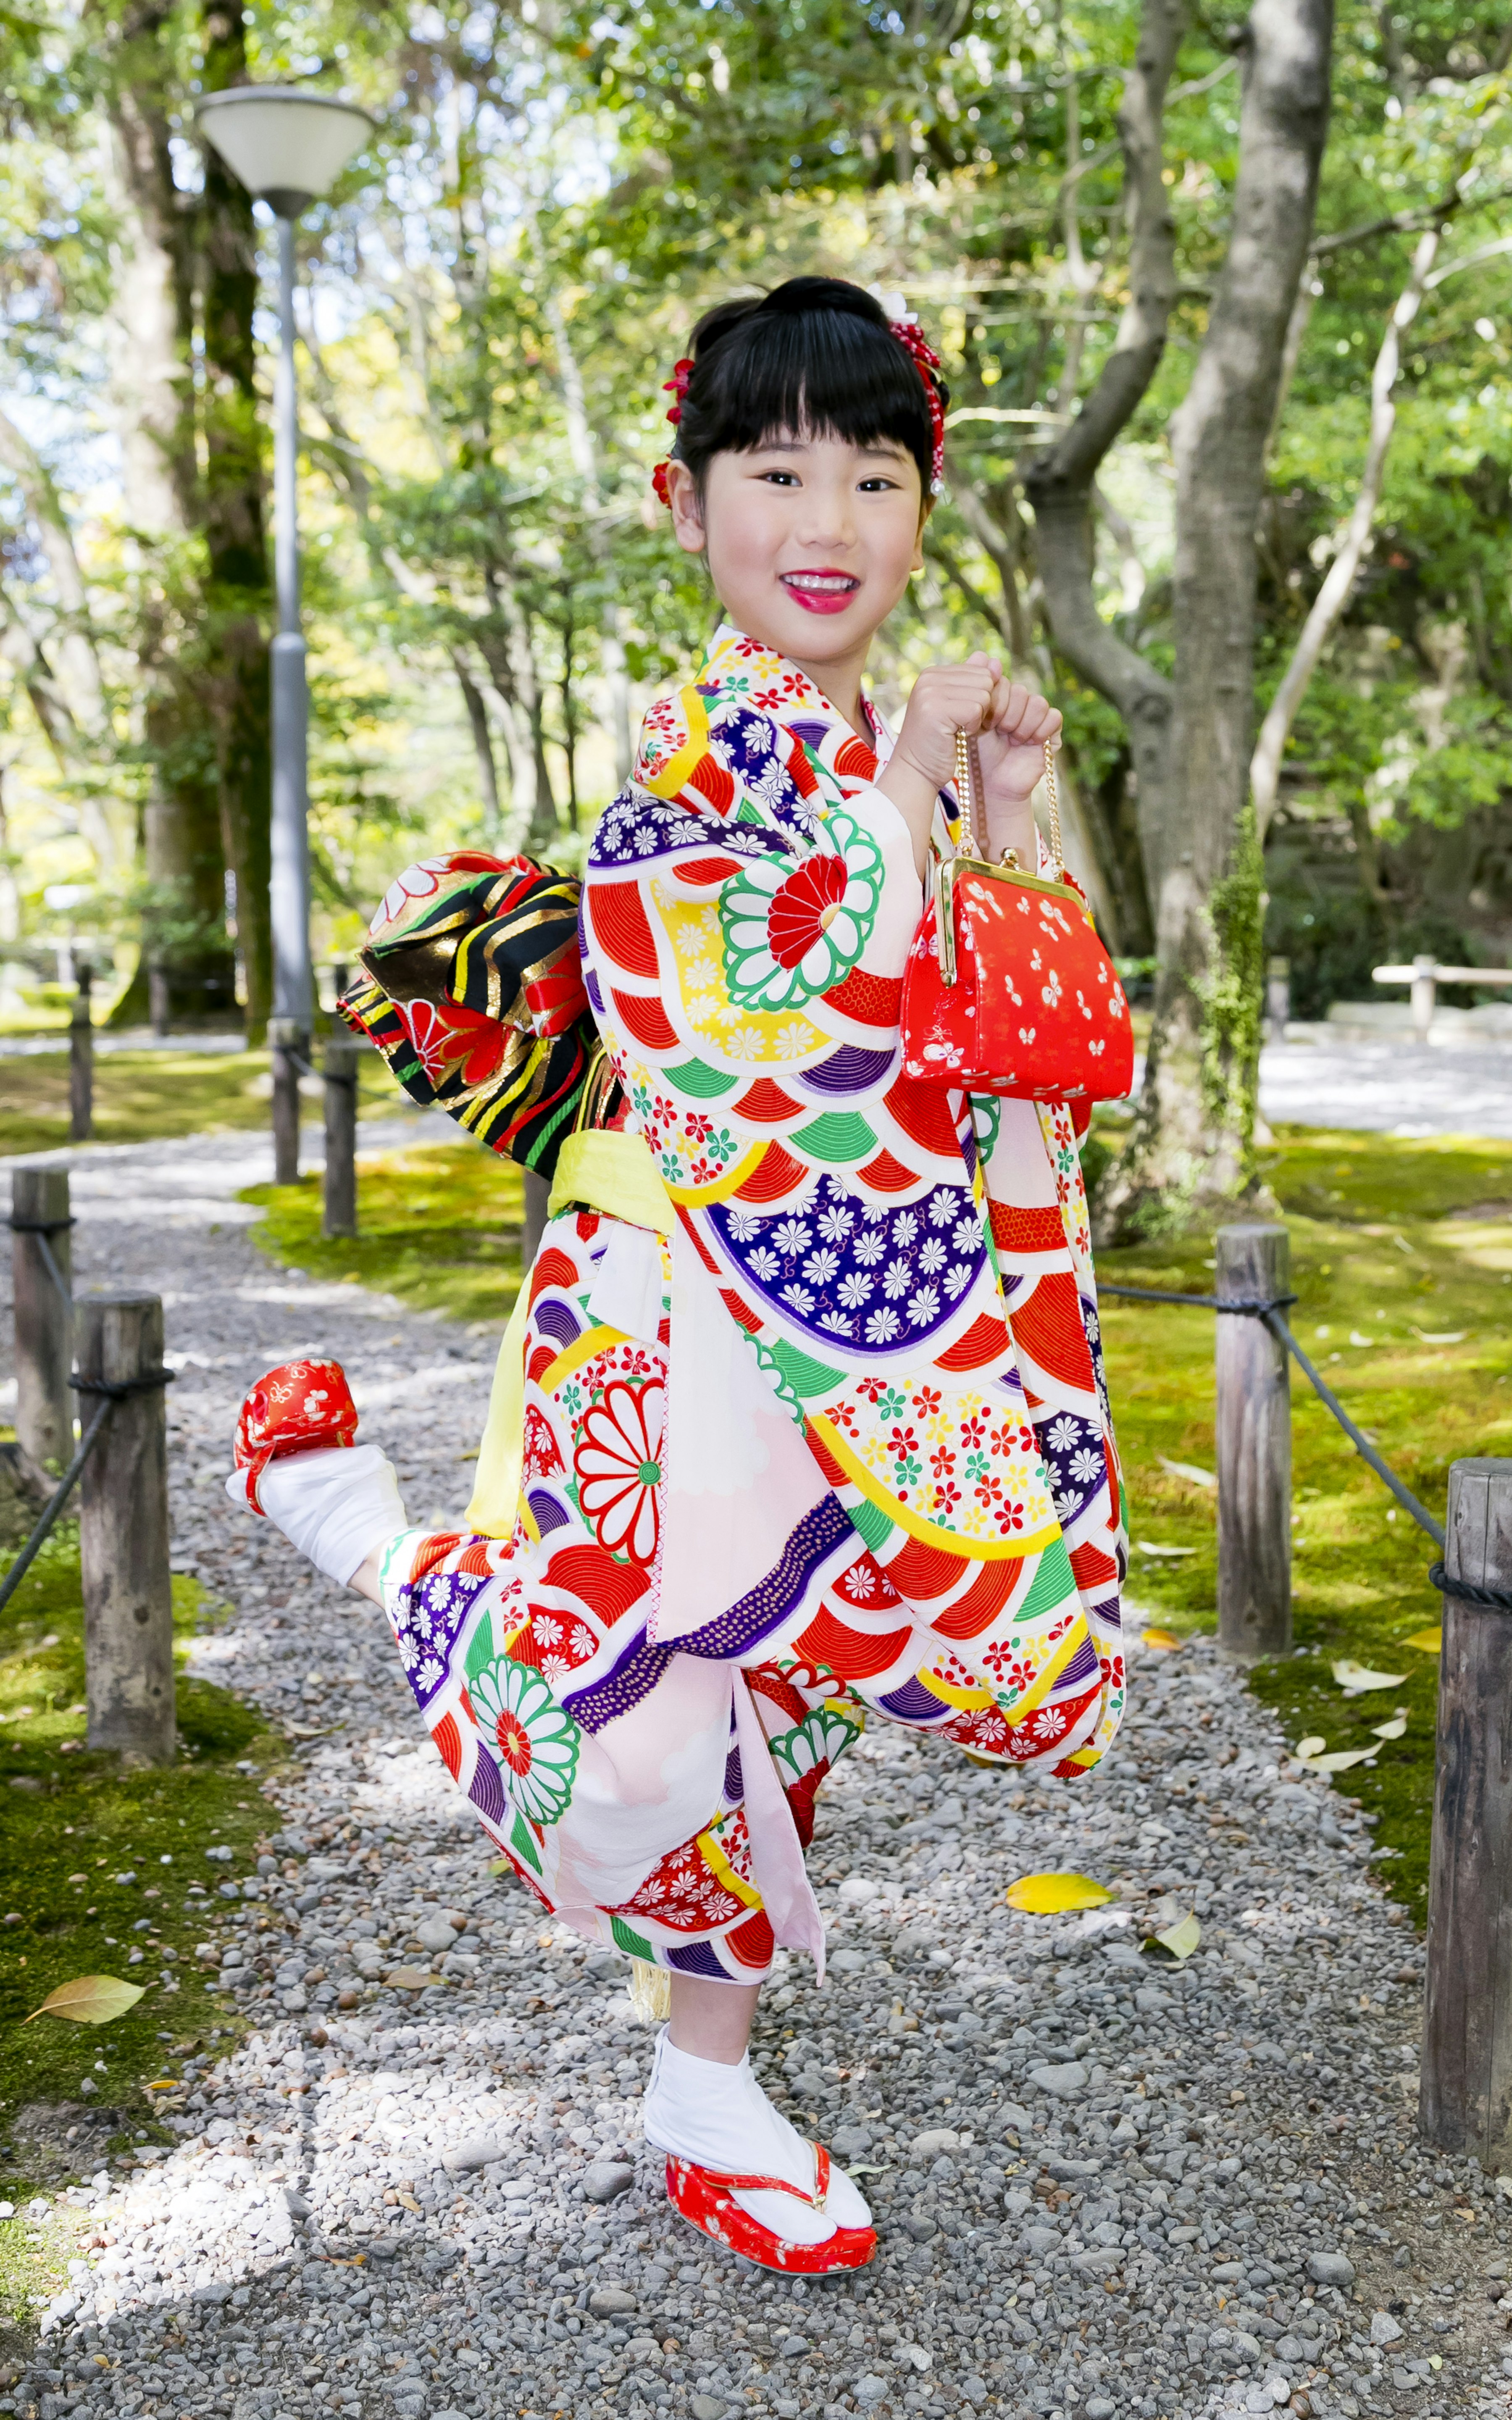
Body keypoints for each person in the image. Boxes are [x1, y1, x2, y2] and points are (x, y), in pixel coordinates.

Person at [231, 276, 1127, 2277]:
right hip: (663, 1290)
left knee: (784, 1700)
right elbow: (762, 1003)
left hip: (855, 1313)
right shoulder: (692, 749)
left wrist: (1005, 813)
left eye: (875, 474)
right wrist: (905, 789)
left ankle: (707, 2084)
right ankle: (378, 1545)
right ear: (690, 495)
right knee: (630, 1726)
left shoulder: (879, 743)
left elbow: (1045, 1050)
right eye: (778, 467)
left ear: (923, 505)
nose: (828, 518)